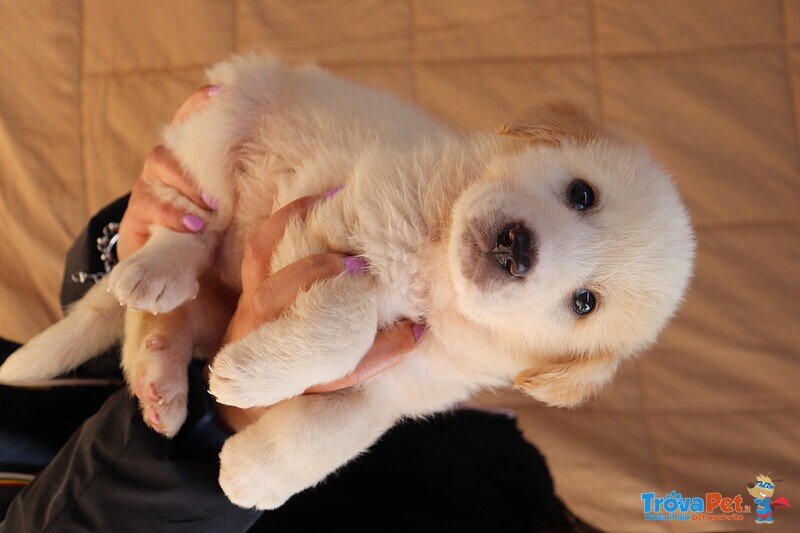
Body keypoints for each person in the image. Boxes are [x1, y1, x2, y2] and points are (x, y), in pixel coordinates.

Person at [0, 87, 597, 532]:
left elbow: (71, 400)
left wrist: (127, 240)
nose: (538, 251)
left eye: (585, 300)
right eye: (580, 196)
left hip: (191, 411)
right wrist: (227, 421)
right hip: (230, 390)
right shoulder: (515, 471)